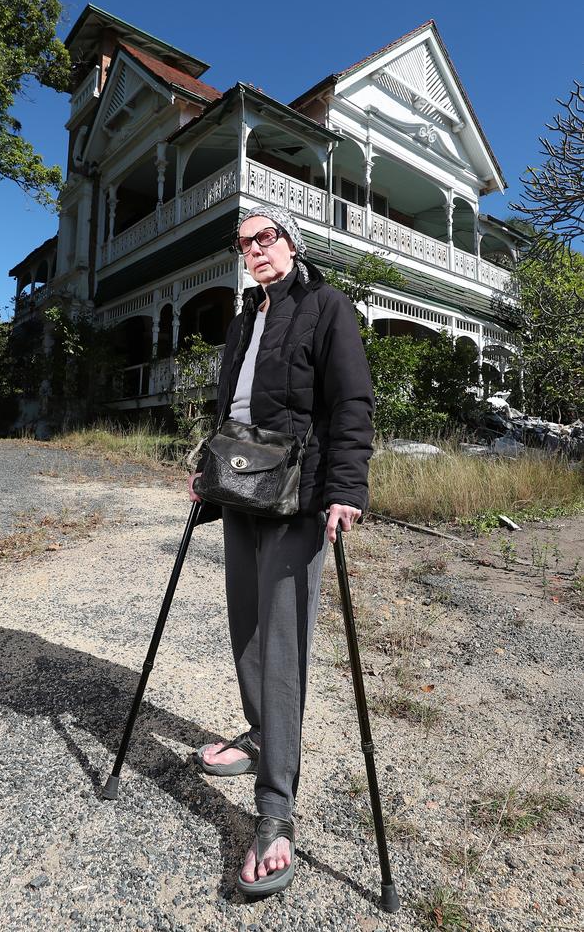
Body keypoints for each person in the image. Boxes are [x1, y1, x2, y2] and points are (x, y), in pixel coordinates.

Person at [188, 203, 374, 897]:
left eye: (265, 238)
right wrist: (208, 469)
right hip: (240, 486)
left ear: (291, 243)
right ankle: (263, 732)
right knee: (247, 628)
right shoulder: (244, 318)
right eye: (244, 244)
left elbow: (352, 402)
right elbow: (231, 408)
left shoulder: (327, 306)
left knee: (283, 642)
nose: (255, 250)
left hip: (299, 494)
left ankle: (276, 809)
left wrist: (346, 489)